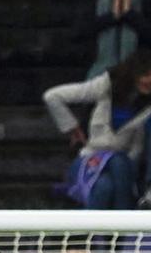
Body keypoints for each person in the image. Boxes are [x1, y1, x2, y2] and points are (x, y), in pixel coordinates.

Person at [44, 49, 151, 210]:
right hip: (89, 160)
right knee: (116, 161)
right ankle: (126, 226)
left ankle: (96, 234)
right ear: (134, 72)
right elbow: (53, 96)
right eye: (147, 74)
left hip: (123, 171)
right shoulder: (106, 85)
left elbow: (136, 154)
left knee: (105, 185)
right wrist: (71, 126)